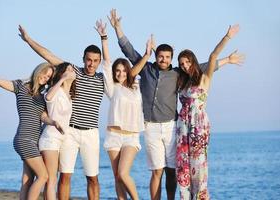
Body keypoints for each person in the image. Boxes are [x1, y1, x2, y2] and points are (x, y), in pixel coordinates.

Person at [108, 9, 245, 200]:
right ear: (157, 57)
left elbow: (204, 66)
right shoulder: (146, 69)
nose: (163, 60)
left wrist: (227, 60)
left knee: (172, 171)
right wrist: (118, 29)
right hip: (151, 127)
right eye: (161, 56)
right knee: (157, 171)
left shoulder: (177, 74)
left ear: (171, 59)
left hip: (173, 127)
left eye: (167, 57)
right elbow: (128, 50)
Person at [18, 25, 103, 200]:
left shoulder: (102, 79)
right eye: (88, 59)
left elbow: (122, 74)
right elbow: (47, 55)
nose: (91, 64)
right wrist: (28, 40)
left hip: (90, 133)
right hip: (68, 132)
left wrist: (105, 38)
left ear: (99, 62)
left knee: (92, 178)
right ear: (83, 59)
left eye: (95, 60)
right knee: (64, 176)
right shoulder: (73, 72)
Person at [0, 55, 63, 200]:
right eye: (44, 74)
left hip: (34, 141)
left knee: (27, 180)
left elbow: (43, 117)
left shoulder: (42, 96)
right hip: (24, 139)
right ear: (38, 70)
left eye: (48, 78)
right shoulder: (20, 86)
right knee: (43, 176)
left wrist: (54, 123)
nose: (45, 78)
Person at [176, 25, 241, 200]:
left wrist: (226, 38)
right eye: (181, 63)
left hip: (198, 126)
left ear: (193, 61)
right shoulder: (182, 83)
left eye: (187, 62)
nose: (184, 66)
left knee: (199, 166)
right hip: (182, 128)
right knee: (183, 167)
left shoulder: (204, 79)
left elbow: (213, 57)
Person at [95, 20, 153, 200]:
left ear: (128, 71)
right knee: (117, 177)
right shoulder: (112, 87)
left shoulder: (135, 84)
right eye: (117, 71)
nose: (120, 73)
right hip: (113, 136)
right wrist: (104, 38)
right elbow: (106, 62)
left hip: (131, 136)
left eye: (123, 70)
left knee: (123, 173)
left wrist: (146, 55)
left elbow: (136, 70)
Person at [38, 62, 76, 200]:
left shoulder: (69, 95)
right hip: (50, 139)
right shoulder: (57, 91)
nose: (73, 72)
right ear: (62, 73)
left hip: (61, 140)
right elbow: (48, 97)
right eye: (69, 70)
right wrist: (62, 79)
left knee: (54, 179)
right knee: (52, 180)